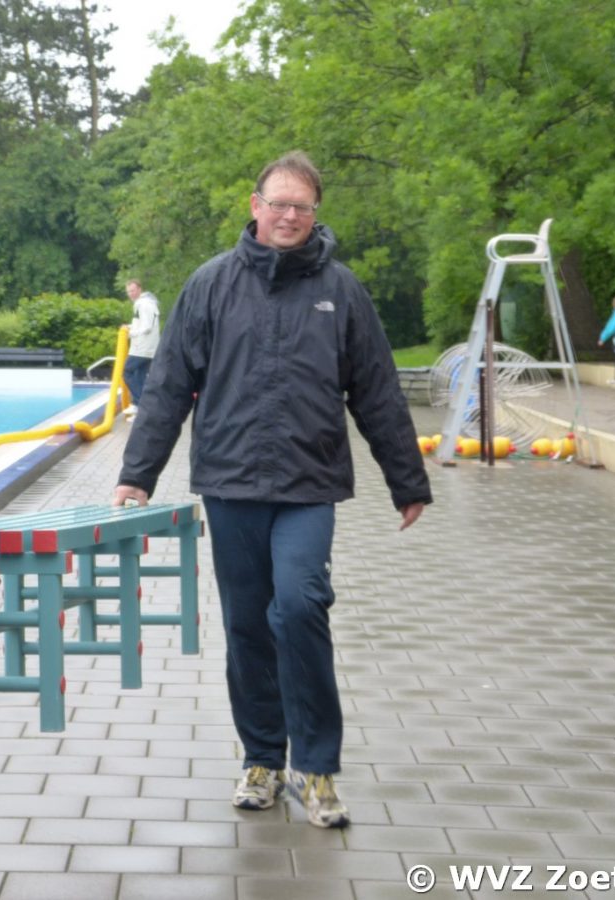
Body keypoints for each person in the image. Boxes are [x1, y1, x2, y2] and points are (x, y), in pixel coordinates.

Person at [112, 151, 432, 829]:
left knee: (300, 606)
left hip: (308, 484)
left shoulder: (341, 291)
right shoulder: (210, 285)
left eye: (303, 207)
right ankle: (262, 758)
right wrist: (137, 476)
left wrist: (407, 478)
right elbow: (169, 385)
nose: (289, 216)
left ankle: (315, 770)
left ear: (316, 215)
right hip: (230, 483)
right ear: (254, 206)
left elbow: (375, 389)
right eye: (278, 203)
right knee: (247, 624)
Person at [122, 278, 160, 420]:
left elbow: (147, 326)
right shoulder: (147, 303)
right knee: (139, 376)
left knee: (127, 372)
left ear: (139, 289)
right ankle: (140, 410)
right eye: (128, 292)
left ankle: (141, 403)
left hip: (143, 348)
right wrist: (131, 327)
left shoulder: (144, 304)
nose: (130, 294)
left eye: (132, 290)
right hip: (146, 347)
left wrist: (131, 333)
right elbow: (143, 324)